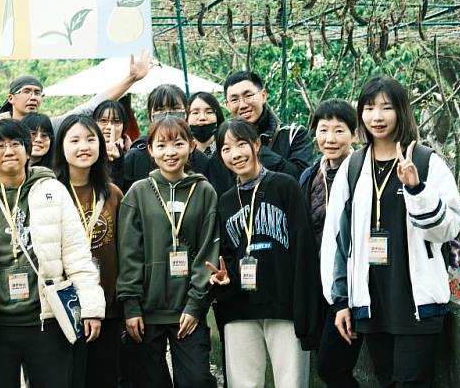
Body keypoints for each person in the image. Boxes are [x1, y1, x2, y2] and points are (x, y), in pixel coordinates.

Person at [321, 76, 460, 387]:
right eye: (369, 107)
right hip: (372, 302)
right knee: (386, 382)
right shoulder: (354, 166)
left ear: (401, 111)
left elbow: (450, 227)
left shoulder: (427, 162)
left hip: (417, 302)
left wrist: (416, 189)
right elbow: (337, 239)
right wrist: (341, 300)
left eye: (386, 108)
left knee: (409, 383)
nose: (377, 116)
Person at [0, 118, 105, 388]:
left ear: (28, 150)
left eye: (16, 144)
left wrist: (91, 308)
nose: (8, 151)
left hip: (46, 320)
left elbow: (76, 255)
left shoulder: (53, 191)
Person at [208, 118, 321, 388]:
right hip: (239, 307)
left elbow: (303, 249)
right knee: (243, 383)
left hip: (284, 305)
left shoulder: (285, 186)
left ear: (257, 144)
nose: (235, 154)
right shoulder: (225, 200)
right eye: (226, 149)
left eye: (241, 145)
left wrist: (305, 310)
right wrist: (225, 278)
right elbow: (227, 255)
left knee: (291, 383)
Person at [116, 117, 219, 388]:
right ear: (150, 149)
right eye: (161, 145)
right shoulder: (138, 193)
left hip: (187, 309)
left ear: (192, 146)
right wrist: (131, 305)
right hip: (145, 311)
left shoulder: (205, 191)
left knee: (196, 380)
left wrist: (196, 304)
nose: (170, 152)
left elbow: (208, 249)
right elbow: (129, 253)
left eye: (178, 143)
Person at [0, 54, 151, 193]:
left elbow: (89, 107)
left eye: (37, 93)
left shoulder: (49, 127)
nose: (33, 97)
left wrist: (131, 79)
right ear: (11, 97)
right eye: (27, 91)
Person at [54, 115, 124, 388]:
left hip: (107, 307)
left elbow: (124, 248)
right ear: (62, 147)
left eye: (90, 139)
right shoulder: (51, 192)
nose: (83, 146)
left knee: (104, 378)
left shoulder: (113, 193)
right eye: (75, 140)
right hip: (64, 308)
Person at [299, 99, 363, 387]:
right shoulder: (310, 175)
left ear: (354, 134)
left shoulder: (362, 172)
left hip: (352, 287)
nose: (330, 138)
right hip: (321, 287)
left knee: (330, 366)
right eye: (323, 130)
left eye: (339, 130)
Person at [207, 71, 313, 195]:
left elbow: (303, 182)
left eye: (248, 95)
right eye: (234, 100)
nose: (242, 105)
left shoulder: (293, 135)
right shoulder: (223, 150)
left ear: (263, 95)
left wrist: (257, 149)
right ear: (227, 105)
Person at [122, 84, 209, 192]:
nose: (168, 116)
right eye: (160, 110)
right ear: (149, 115)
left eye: (175, 109)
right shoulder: (134, 158)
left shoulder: (200, 160)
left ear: (186, 113)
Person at [93, 100, 131, 193]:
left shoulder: (133, 155)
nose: (109, 126)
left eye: (116, 121)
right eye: (103, 121)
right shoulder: (87, 153)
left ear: (124, 125)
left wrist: (116, 162)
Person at [186, 91, 225, 158]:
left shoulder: (226, 149)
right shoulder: (182, 153)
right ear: (186, 118)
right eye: (195, 113)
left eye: (209, 112)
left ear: (217, 116)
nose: (202, 117)